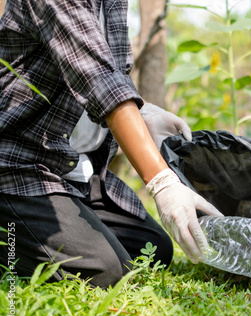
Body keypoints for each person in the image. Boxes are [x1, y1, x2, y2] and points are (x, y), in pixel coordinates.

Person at [0, 0, 222, 288]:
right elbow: (98, 79)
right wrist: (162, 182)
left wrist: (143, 113)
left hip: (71, 166)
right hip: (19, 165)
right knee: (104, 271)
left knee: (152, 250)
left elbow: (109, 67)